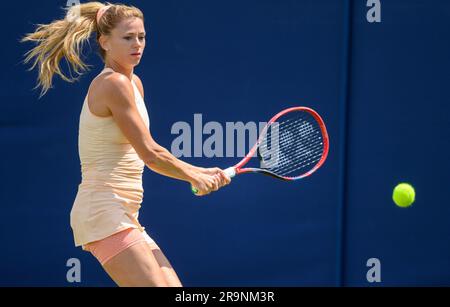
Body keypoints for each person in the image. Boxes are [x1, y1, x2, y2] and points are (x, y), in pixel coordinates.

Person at [21, 2, 230, 287]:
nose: (137, 44)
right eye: (128, 37)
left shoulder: (134, 84)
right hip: (103, 211)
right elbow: (151, 154)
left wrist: (199, 172)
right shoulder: (113, 84)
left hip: (126, 213)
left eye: (141, 37)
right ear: (104, 42)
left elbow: (149, 151)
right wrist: (195, 174)